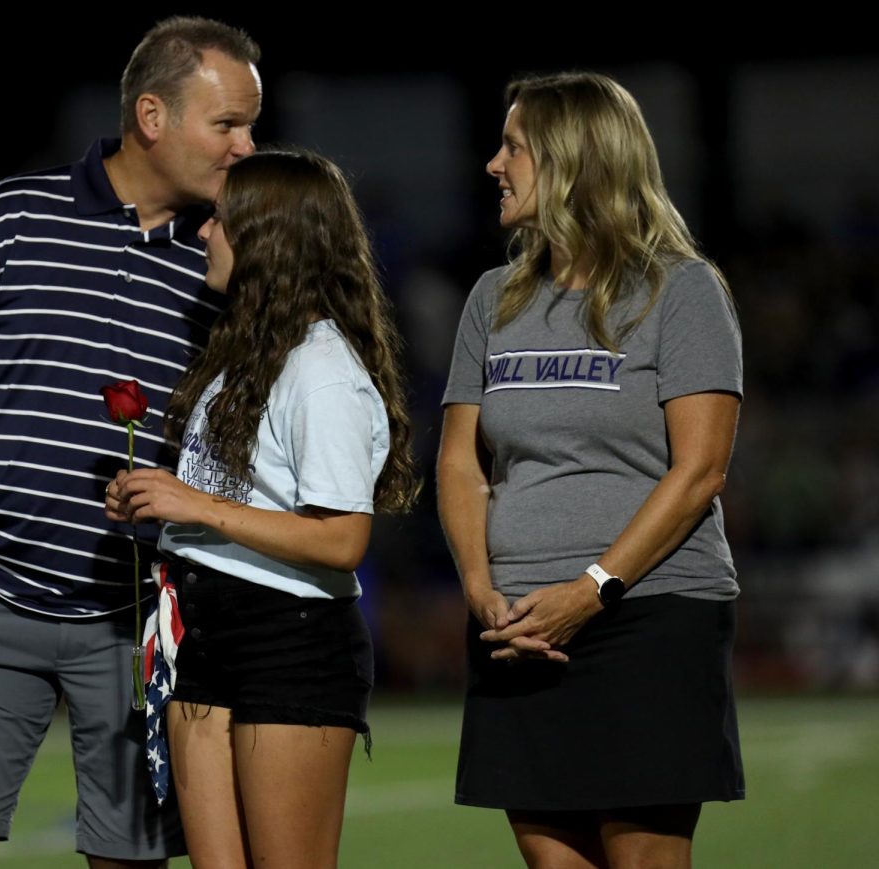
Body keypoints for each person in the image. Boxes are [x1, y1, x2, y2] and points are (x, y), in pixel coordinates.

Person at [0, 17, 262, 869]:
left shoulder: (231, 257)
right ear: (152, 117)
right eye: (227, 124)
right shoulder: (8, 216)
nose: (247, 146)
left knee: (129, 860)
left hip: (139, 611)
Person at [438, 72, 745, 869]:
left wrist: (591, 589)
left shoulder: (681, 290)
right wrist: (480, 590)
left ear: (573, 158)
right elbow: (460, 462)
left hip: (646, 617)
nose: (493, 165)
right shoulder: (491, 300)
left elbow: (701, 469)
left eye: (513, 147)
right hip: (516, 631)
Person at [106, 150, 419, 869]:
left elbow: (342, 539)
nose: (202, 232)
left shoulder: (322, 368)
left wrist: (198, 505)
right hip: (203, 631)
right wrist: (159, 497)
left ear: (268, 237)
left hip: (289, 640)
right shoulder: (239, 353)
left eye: (220, 219)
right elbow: (231, 500)